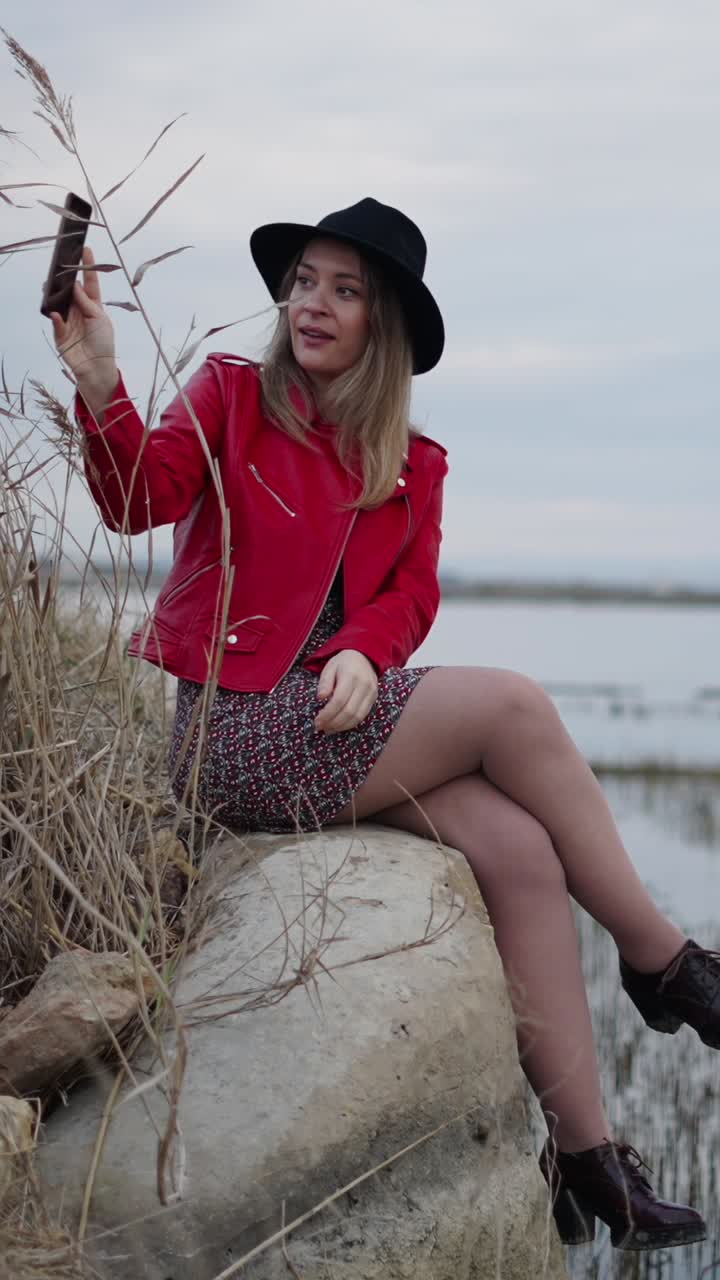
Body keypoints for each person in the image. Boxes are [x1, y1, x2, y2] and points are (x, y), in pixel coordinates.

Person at [50, 196, 720, 1254]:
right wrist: (98, 380)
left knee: (520, 847)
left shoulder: (414, 460)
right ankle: (666, 963)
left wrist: (365, 644)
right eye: (305, 281)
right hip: (233, 730)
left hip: (326, 724)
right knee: (512, 704)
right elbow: (140, 497)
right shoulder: (230, 395)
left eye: (344, 289)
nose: (312, 303)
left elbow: (409, 598)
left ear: (383, 321)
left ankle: (592, 1161)